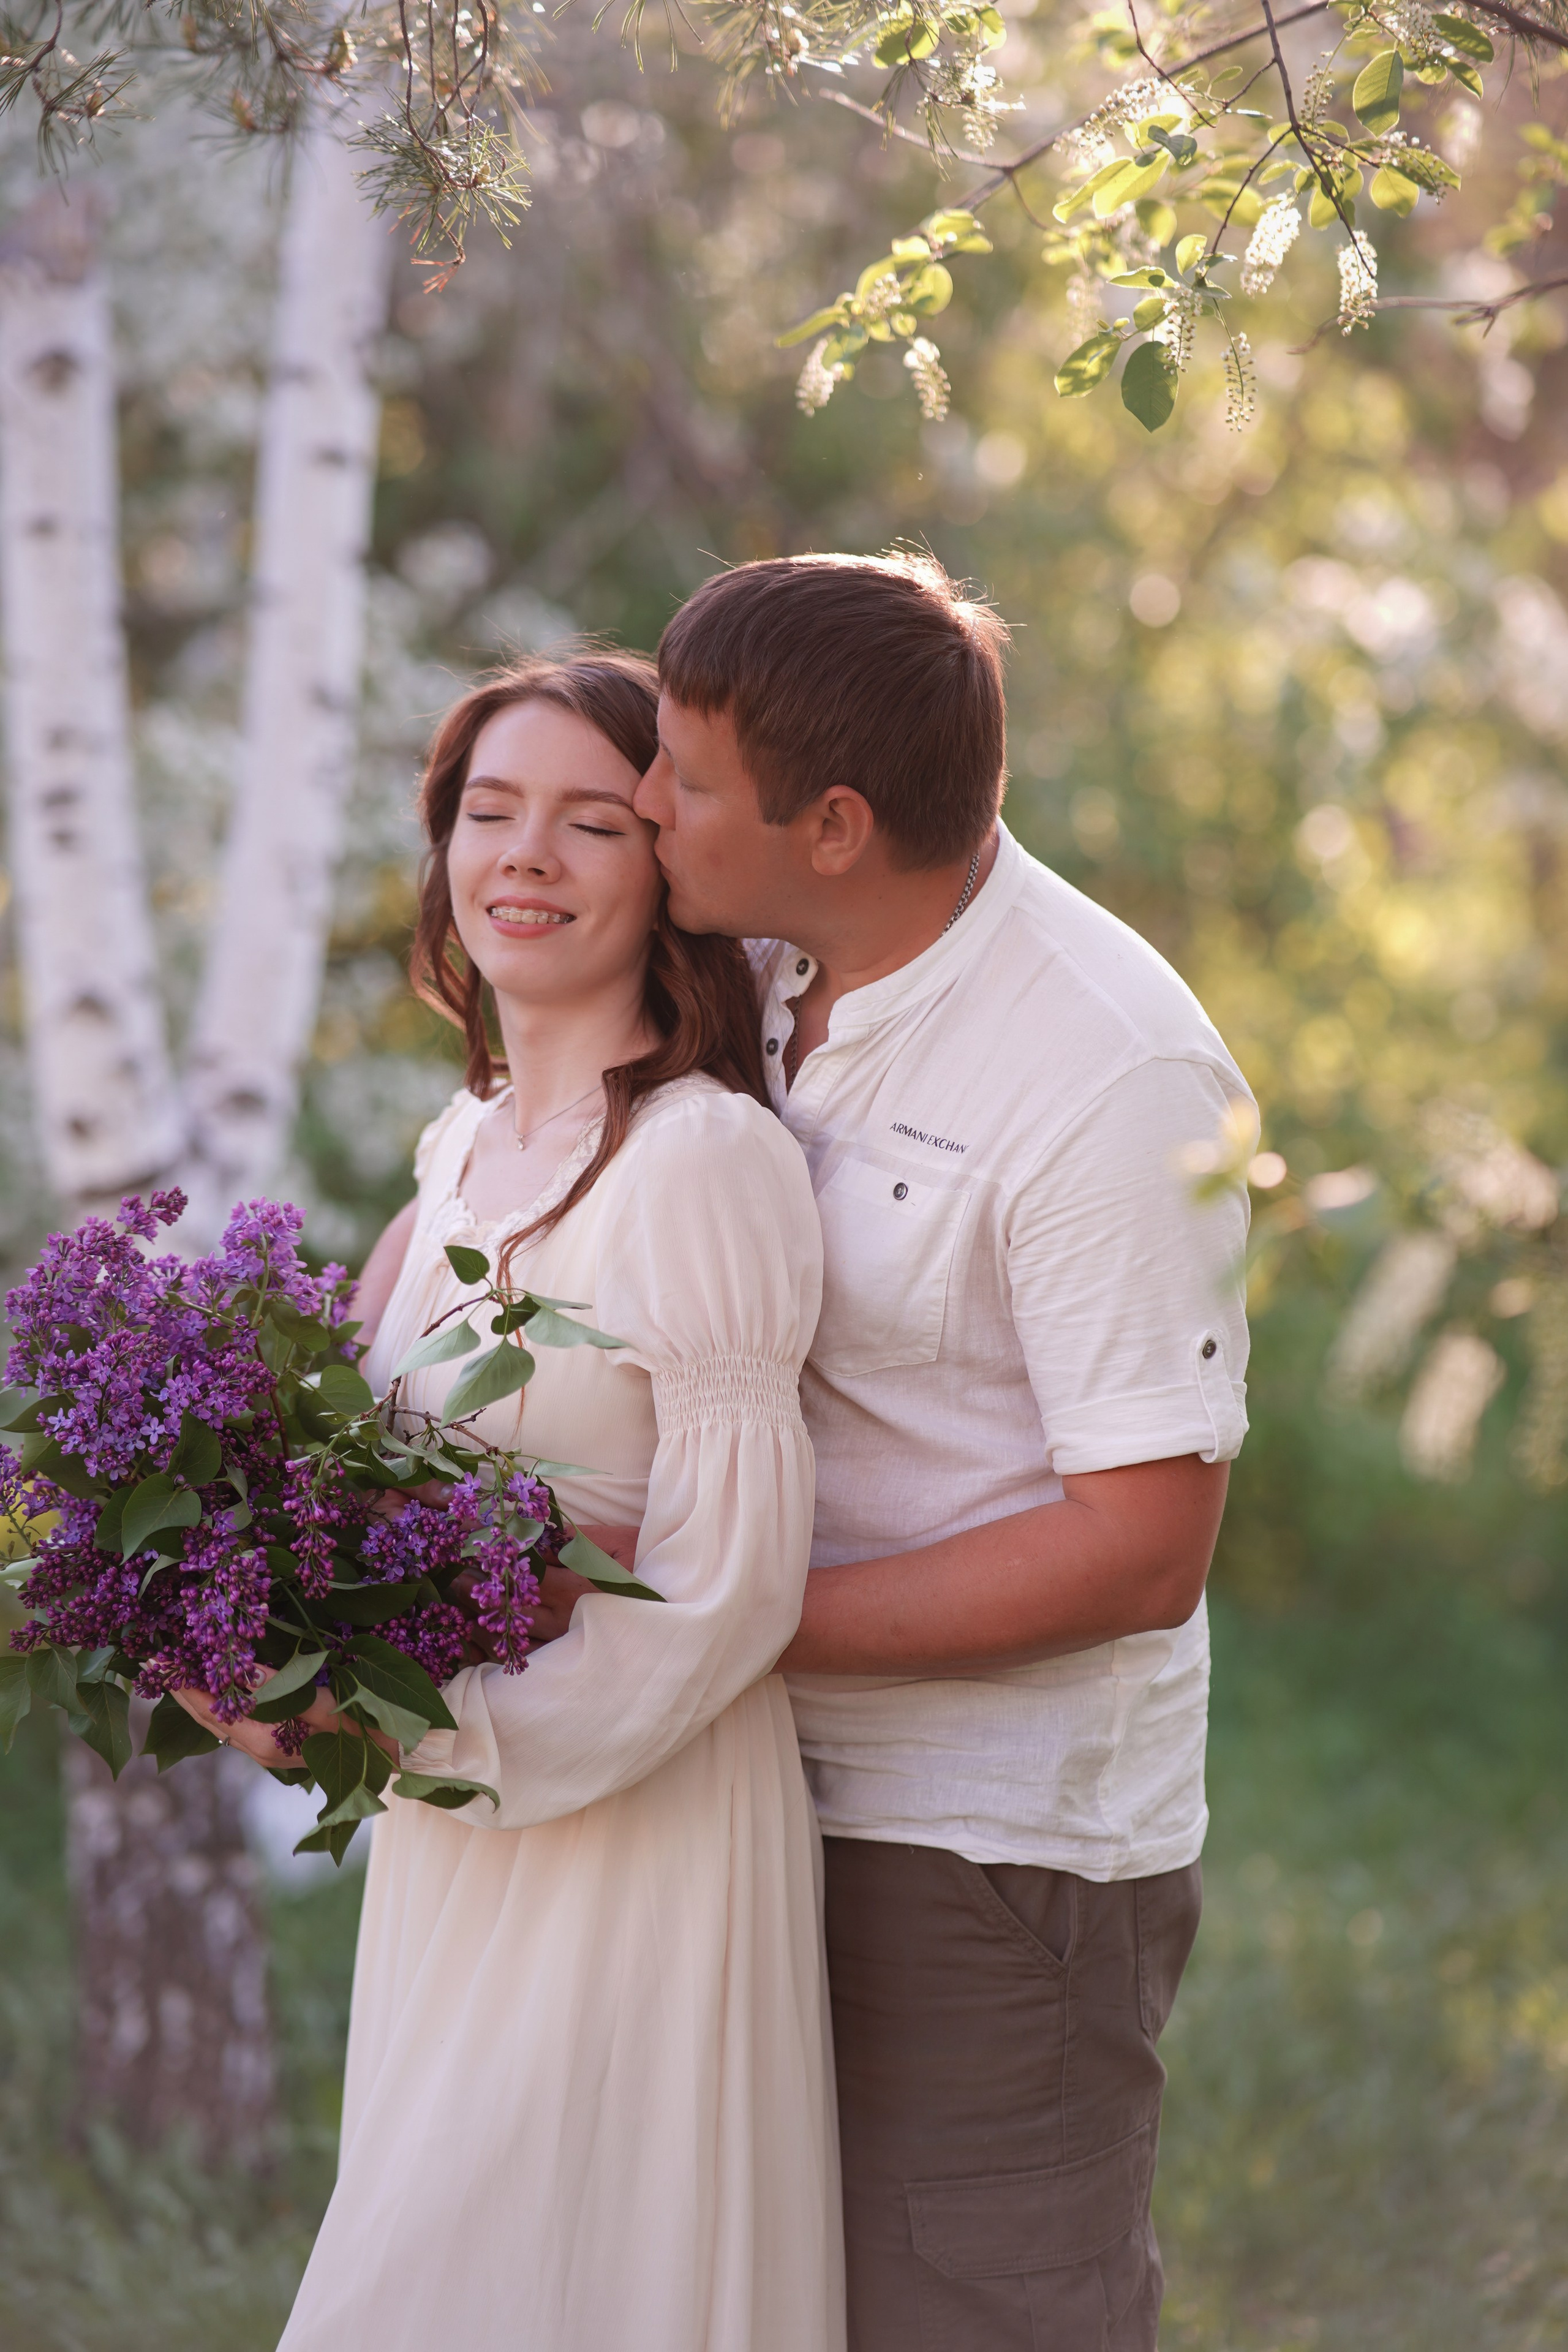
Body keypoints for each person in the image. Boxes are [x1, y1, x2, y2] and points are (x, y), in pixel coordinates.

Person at [630, 553, 1254, 2352]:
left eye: (681, 776)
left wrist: (719, 1624)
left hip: (985, 1852)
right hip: (734, 1789)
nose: (643, 800)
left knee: (955, 2318)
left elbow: (1140, 1546)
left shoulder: (1106, 1071)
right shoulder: (756, 955)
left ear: (832, 824)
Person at [183, 653, 843, 2352]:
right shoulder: (455, 1147)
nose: (525, 859)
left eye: (590, 822)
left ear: (668, 870)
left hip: (631, 1830)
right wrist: (254, 1658)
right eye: (490, 814)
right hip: (451, 1841)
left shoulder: (705, 1161)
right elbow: (333, 1493)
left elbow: (729, 1595)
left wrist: (439, 1738)